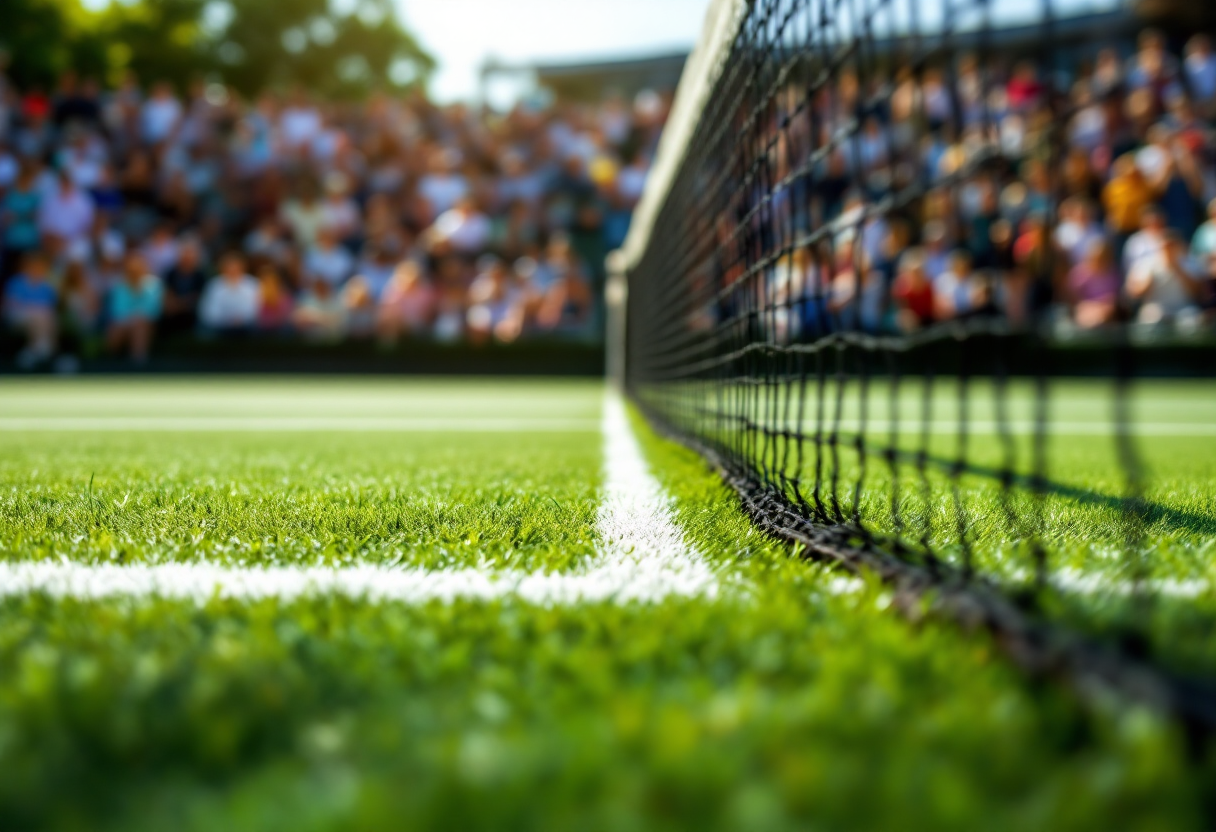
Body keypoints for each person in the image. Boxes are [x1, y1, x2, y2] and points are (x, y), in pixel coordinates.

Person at [1126, 232, 1204, 325]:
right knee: (1151, 321)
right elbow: (1135, 294)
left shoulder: (1191, 263)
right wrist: (1151, 276)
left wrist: (1177, 267)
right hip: (1155, 308)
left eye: (1172, 247)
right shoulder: (1146, 264)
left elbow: (1198, 293)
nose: (1168, 250)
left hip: (1185, 307)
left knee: (1192, 321)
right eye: (1165, 247)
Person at [3, 251, 57, 368]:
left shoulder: (46, 285)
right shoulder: (15, 282)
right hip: (17, 318)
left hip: (41, 318)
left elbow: (49, 306)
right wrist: (32, 309)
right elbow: (11, 305)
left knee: (45, 317)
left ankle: (34, 352)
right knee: (39, 316)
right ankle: (42, 350)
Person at [106, 252, 162, 363]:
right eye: (131, 270)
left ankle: (138, 364)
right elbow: (117, 312)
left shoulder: (154, 284)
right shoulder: (120, 287)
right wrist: (132, 319)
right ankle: (111, 362)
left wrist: (136, 318)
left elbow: (154, 311)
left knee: (139, 325)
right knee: (115, 329)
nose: (134, 272)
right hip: (124, 324)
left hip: (148, 325)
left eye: (136, 269)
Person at [1066, 239, 1121, 329]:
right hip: (1085, 307)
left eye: (1103, 258)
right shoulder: (1080, 273)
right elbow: (1073, 297)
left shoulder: (1112, 274)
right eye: (1097, 258)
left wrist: (1103, 306)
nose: (1099, 262)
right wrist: (1090, 305)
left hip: (1105, 309)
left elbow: (1113, 298)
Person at [198, 253, 260, 333]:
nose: (233, 271)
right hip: (219, 326)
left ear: (243, 268)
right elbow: (208, 310)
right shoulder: (214, 285)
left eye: (236, 267)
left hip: (248, 325)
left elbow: (257, 307)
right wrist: (226, 320)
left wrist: (242, 319)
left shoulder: (252, 284)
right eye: (229, 267)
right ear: (222, 269)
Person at [377, 261, 436, 344]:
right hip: (399, 323)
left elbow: (428, 315)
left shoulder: (425, 292)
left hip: (418, 324)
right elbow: (386, 311)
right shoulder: (394, 289)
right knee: (389, 321)